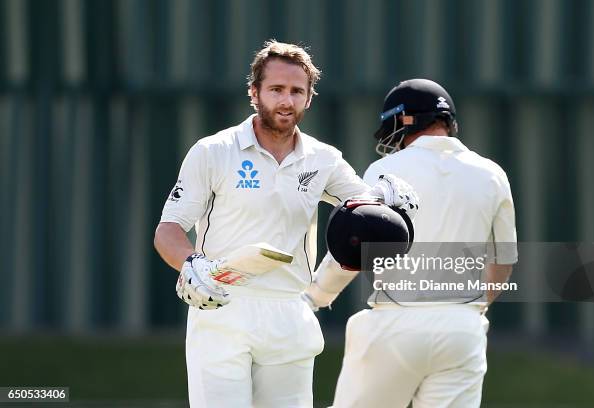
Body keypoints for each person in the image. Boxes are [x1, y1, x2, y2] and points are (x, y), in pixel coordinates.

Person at [153, 40, 418, 408]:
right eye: (276, 89)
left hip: (288, 310)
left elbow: (365, 206)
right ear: (254, 92)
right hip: (223, 306)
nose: (286, 101)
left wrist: (389, 195)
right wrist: (190, 265)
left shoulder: (323, 159)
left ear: (309, 98)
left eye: (297, 91)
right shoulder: (213, 151)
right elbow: (168, 231)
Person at [304, 78, 517, 407]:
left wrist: (314, 297)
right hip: (462, 330)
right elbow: (503, 261)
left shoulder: (385, 170)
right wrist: (470, 309)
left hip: (395, 323)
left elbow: (354, 246)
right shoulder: (491, 173)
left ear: (402, 123)